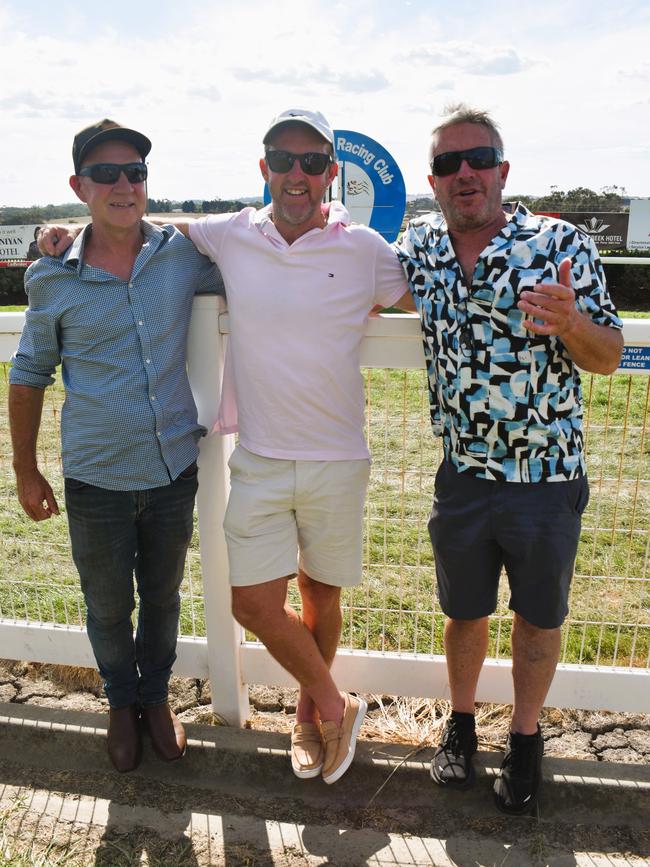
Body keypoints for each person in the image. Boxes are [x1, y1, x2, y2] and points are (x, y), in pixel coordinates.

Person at [40, 109, 410, 785]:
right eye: (281, 158)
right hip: (261, 456)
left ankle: (309, 716)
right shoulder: (228, 234)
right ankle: (337, 702)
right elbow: (145, 234)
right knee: (252, 603)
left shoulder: (365, 249)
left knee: (321, 594)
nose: (294, 174)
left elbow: (422, 287)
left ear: (331, 172)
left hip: (338, 455)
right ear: (261, 166)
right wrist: (60, 231)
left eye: (310, 161)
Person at [395, 104, 624, 814]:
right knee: (463, 612)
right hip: (461, 473)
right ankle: (460, 727)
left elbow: (610, 355)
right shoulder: (419, 249)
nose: (463, 173)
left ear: (502, 169)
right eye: (446, 163)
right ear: (432, 181)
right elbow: (328, 254)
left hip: (544, 478)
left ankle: (525, 739)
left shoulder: (559, 243)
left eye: (477, 158)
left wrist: (571, 322)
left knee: (537, 619)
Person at [9, 119, 223, 774]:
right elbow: (28, 374)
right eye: (107, 174)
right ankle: (119, 702)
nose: (124, 185)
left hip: (170, 470)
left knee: (162, 597)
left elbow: (259, 253)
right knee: (107, 603)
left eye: (135, 173)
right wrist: (24, 468)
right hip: (97, 477)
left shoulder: (181, 256)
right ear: (79, 187)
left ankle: (155, 698)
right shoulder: (52, 278)